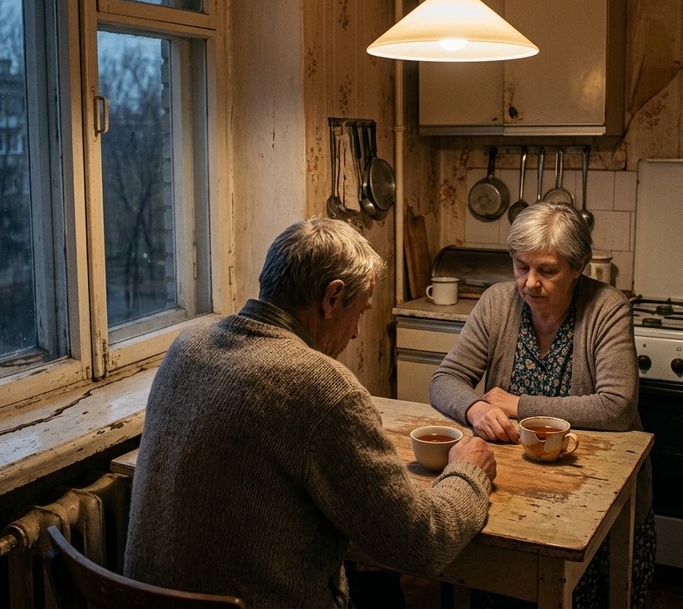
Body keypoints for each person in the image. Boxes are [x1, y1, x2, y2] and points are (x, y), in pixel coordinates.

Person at [123, 217, 497, 609]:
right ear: (332, 298)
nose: (355, 333)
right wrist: (468, 471)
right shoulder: (322, 387)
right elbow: (424, 544)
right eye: (361, 311)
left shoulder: (188, 344)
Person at [430, 202, 655, 609]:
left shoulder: (608, 308)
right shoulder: (497, 303)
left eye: (547, 270)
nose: (530, 283)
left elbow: (618, 406)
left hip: (592, 490)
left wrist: (518, 404)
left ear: (578, 266)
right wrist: (475, 409)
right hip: (512, 488)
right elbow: (445, 379)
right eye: (521, 267)